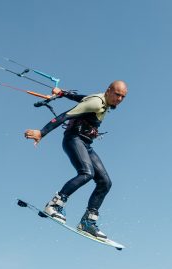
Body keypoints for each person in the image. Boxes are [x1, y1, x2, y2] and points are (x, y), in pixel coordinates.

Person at [24, 80, 128, 239]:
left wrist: (63, 93)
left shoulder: (102, 100)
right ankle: (54, 205)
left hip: (85, 143)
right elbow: (65, 115)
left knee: (105, 182)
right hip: (73, 139)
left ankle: (88, 223)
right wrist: (42, 132)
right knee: (87, 173)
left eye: (123, 97)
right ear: (108, 91)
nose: (119, 99)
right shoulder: (95, 103)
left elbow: (81, 97)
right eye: (117, 94)